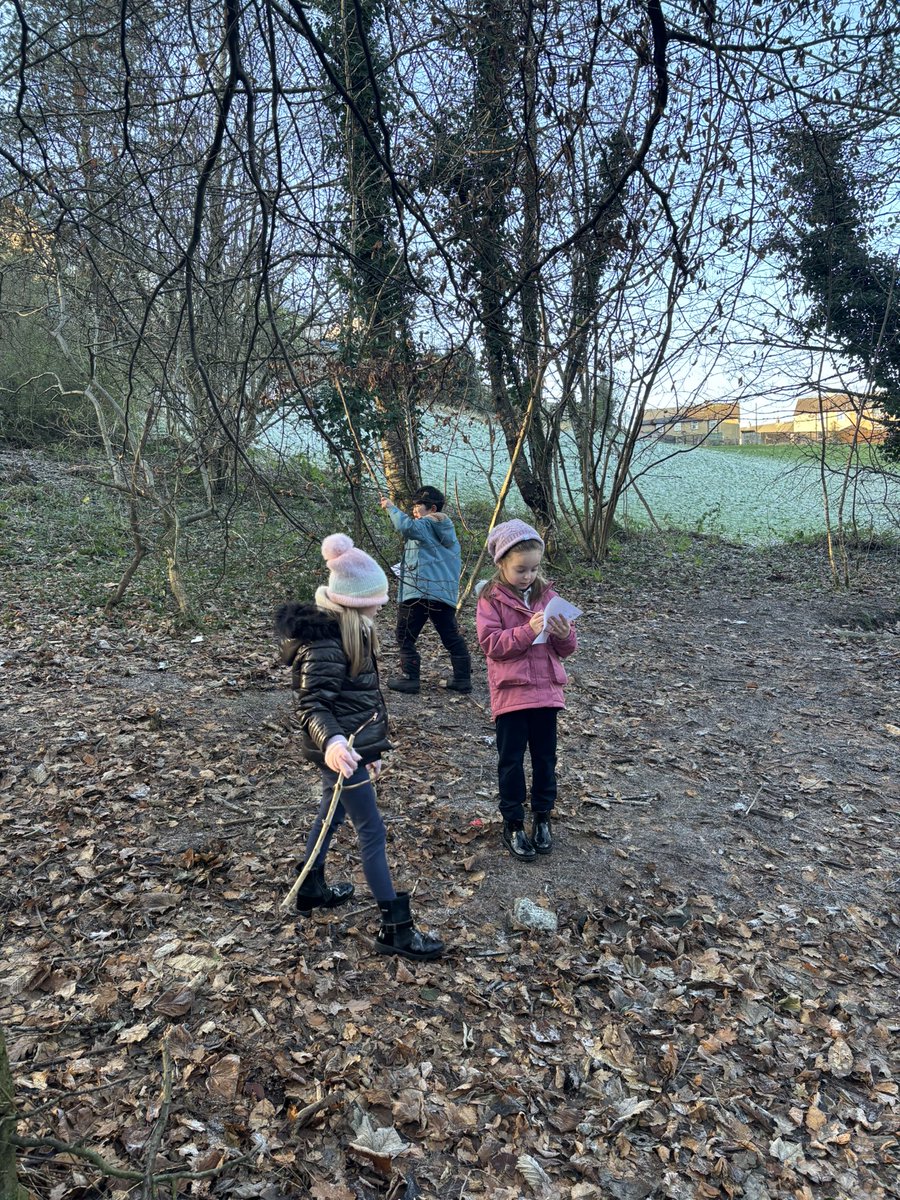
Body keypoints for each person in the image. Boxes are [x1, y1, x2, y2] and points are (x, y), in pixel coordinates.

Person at [275, 533, 443, 960]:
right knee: (372, 832)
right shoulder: (326, 643)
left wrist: (374, 751)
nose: (383, 604)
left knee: (329, 817)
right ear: (352, 600)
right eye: (376, 598)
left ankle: (310, 887)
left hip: (354, 749)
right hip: (340, 752)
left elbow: (363, 702)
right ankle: (396, 929)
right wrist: (333, 742)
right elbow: (313, 704)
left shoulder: (358, 631)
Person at [476, 519, 578, 861]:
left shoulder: (547, 595)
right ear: (501, 563)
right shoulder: (490, 599)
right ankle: (514, 822)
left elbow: (566, 649)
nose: (528, 576)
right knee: (511, 761)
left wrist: (564, 633)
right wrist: (525, 630)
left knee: (546, 759)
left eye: (534, 569)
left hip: (547, 692)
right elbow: (491, 645)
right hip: (512, 695)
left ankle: (543, 817)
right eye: (521, 569)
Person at [379, 486, 472, 695]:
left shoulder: (427, 523)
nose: (414, 510)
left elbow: (406, 528)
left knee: (405, 635)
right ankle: (462, 679)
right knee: (450, 636)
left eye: (417, 505)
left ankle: (410, 679)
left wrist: (391, 508)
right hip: (442, 594)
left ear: (431, 508)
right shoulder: (449, 532)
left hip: (419, 591)